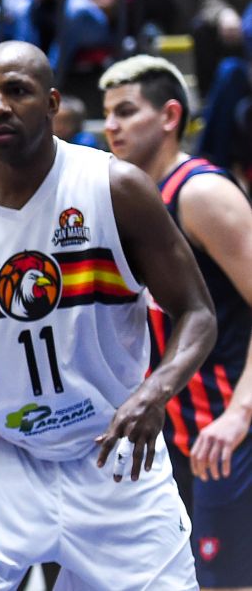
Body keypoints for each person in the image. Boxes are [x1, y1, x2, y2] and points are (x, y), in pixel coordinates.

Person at [0, 41, 216, 589]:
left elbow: (197, 312)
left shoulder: (115, 187)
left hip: (113, 451)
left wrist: (155, 393)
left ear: (52, 103)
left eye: (17, 91)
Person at [100, 54, 252, 589]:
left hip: (226, 430)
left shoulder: (201, 192)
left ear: (169, 116)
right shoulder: (125, 201)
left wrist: (239, 415)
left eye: (125, 111)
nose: (111, 125)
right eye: (107, 113)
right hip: (169, 436)